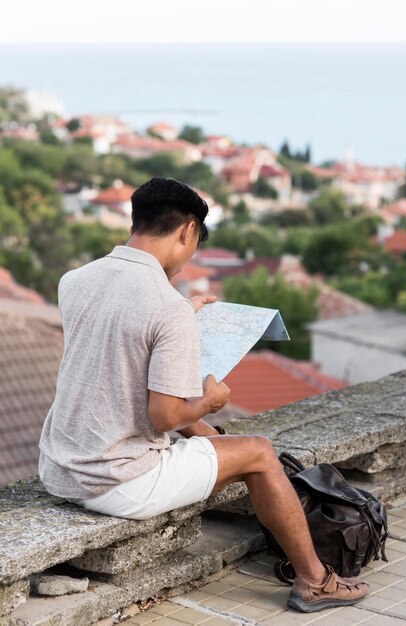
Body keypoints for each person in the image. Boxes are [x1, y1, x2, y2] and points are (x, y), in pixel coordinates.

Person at [38, 177, 368, 613]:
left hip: (60, 467)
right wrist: (210, 401)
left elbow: (117, 350)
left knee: (209, 430)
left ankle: (219, 447)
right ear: (187, 231)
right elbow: (163, 417)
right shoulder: (165, 305)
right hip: (116, 482)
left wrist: (180, 323)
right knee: (260, 452)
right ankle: (314, 581)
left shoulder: (76, 280)